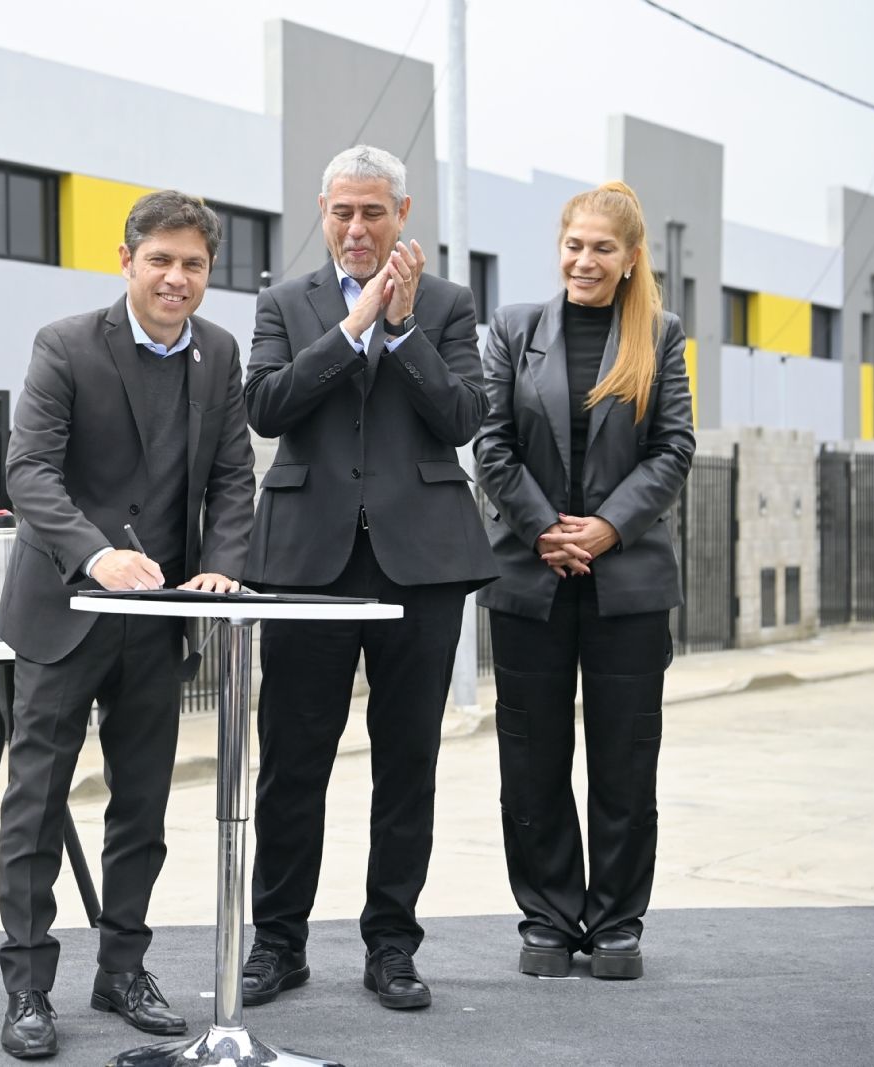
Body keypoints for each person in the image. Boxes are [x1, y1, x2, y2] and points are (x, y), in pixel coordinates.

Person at [0, 190, 255, 1059]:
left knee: (142, 807)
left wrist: (222, 563)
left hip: (159, 620)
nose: (177, 278)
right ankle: (28, 986)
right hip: (66, 609)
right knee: (36, 805)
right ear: (126, 260)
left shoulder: (219, 353)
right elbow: (30, 470)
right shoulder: (66, 344)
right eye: (161, 260)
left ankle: (123, 969)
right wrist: (95, 554)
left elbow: (232, 475)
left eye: (193, 264)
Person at [241, 145, 498, 1011]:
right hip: (305, 563)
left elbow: (462, 416)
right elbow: (267, 406)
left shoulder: (449, 304)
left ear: (402, 214)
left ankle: (392, 944)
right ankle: (278, 942)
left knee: (408, 761)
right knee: (292, 761)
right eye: (343, 212)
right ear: (323, 212)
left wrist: (402, 326)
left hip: (420, 564)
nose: (357, 228)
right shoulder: (284, 304)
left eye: (374, 212)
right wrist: (353, 330)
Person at [472, 181, 695, 980]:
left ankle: (616, 923)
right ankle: (547, 916)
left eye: (603, 248)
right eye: (575, 245)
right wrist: (544, 528)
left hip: (626, 581)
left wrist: (606, 528)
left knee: (626, 759)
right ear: (559, 247)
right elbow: (490, 441)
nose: (585, 260)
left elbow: (674, 447)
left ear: (630, 258)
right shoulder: (513, 328)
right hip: (530, 576)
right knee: (531, 757)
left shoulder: (660, 335)